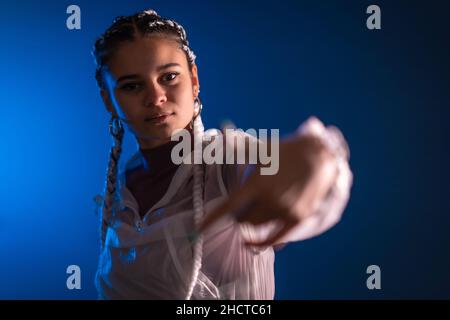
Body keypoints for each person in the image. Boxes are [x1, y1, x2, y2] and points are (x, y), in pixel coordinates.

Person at [92, 9, 353, 300]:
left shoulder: (225, 157)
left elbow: (277, 162)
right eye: (132, 86)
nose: (155, 98)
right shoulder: (121, 186)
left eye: (169, 76)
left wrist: (315, 159)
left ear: (194, 80)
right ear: (109, 99)